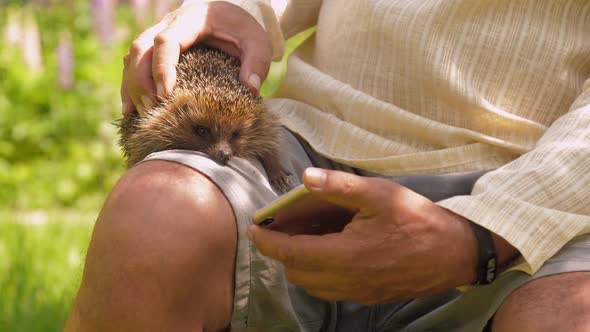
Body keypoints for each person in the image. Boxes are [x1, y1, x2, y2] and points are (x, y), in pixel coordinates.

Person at [66, 0, 590, 331]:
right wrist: (237, 9)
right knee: (157, 212)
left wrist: (487, 233)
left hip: (546, 191)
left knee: (567, 315)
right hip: (312, 143)